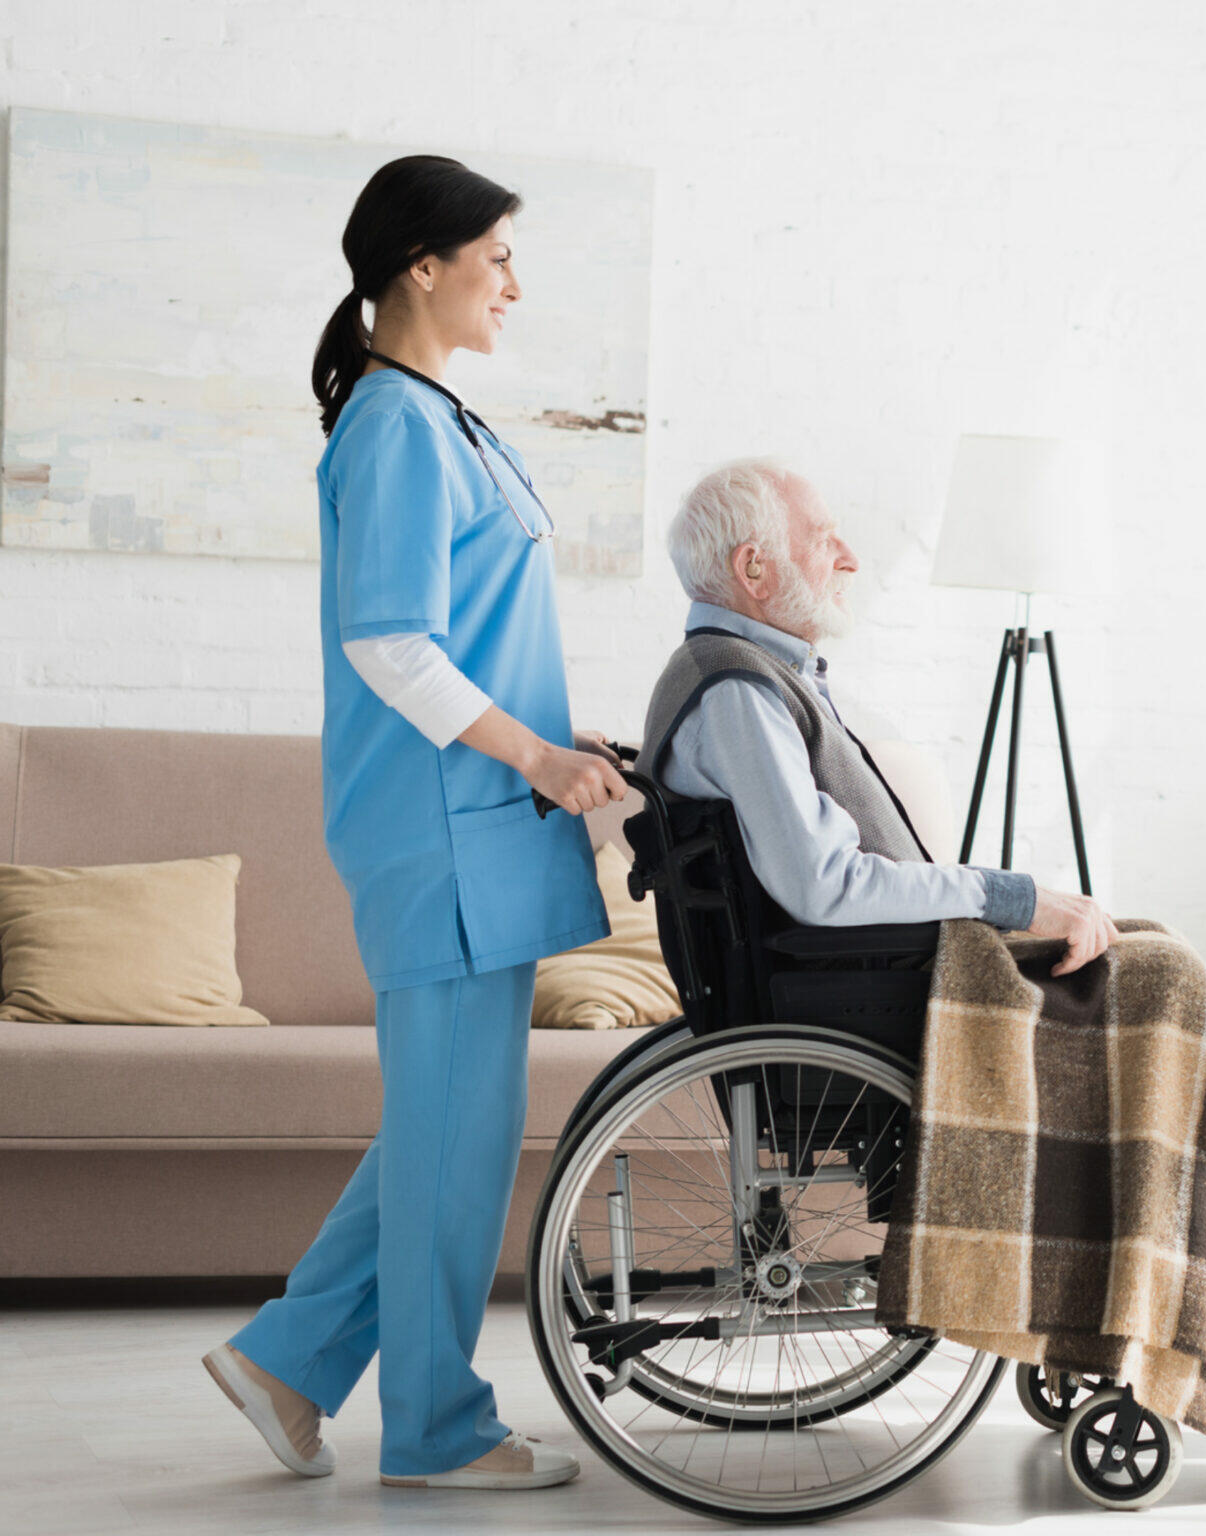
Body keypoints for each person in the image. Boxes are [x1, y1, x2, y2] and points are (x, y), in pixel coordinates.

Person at [200, 154, 627, 1492]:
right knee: (454, 1137)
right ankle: (437, 1428)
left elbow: (476, 638)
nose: (515, 282)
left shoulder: (442, 420)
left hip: (481, 827)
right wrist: (537, 758)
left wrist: (564, 743)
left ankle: (286, 1359)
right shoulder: (393, 425)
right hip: (444, 834)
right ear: (421, 265)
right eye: (496, 255)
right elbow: (391, 642)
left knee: (447, 1129)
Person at [634, 456, 1117, 974]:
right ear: (753, 567)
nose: (851, 559)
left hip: (889, 971)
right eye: (824, 539)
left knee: (1147, 951)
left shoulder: (749, 675)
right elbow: (825, 884)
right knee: (1156, 977)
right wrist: (1015, 898)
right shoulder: (737, 691)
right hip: (881, 988)